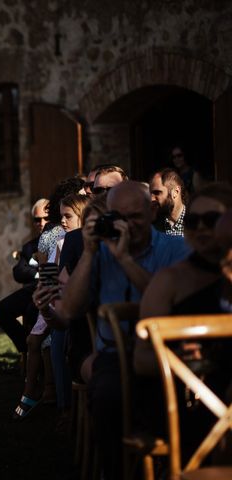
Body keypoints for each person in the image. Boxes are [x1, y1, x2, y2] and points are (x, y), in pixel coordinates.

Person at [57, 181, 190, 480]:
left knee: (171, 402)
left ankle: (168, 465)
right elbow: (68, 310)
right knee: (107, 394)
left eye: (136, 218)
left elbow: (170, 303)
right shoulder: (100, 252)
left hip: (166, 354)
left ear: (151, 212)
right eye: (120, 217)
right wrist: (90, 253)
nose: (128, 225)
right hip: (115, 354)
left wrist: (124, 259)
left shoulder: (176, 249)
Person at [135, 183, 232, 462]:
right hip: (183, 396)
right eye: (193, 221)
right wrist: (177, 358)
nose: (201, 228)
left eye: (211, 220)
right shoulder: (170, 280)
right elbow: (141, 360)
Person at [15, 193, 90, 419]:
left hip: (74, 306)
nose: (63, 221)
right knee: (35, 338)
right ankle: (36, 395)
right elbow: (49, 280)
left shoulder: (88, 243)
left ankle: (55, 399)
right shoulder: (59, 242)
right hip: (55, 302)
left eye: (68, 216)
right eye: (61, 216)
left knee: (53, 340)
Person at [0, 198, 47, 355]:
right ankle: (29, 350)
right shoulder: (30, 246)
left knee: (32, 311)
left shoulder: (61, 239)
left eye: (45, 218)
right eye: (37, 219)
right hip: (32, 289)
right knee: (1, 311)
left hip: (50, 291)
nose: (41, 222)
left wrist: (34, 270)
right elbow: (19, 272)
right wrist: (38, 273)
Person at [149, 168, 186, 236]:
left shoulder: (197, 221)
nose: (152, 199)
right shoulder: (152, 226)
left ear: (175, 192)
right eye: (150, 193)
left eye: (157, 193)